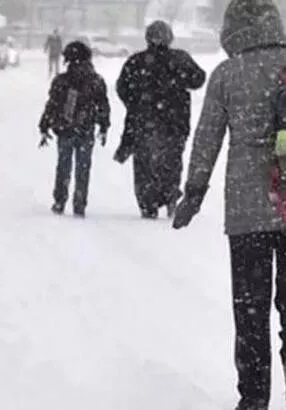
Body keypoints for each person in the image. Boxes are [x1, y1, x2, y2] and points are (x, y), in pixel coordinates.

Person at [173, 1, 286, 408]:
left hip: (248, 211)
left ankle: (253, 400)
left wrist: (194, 191)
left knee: (251, 313)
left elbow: (207, 139)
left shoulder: (227, 74)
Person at [114, 20, 205, 219]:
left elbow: (122, 87)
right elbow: (198, 79)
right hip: (176, 122)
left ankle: (148, 203)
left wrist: (136, 103)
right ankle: (170, 193)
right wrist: (178, 82)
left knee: (144, 165)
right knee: (171, 162)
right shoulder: (180, 59)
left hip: (143, 122)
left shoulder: (136, 61)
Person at [39, 41, 110, 218]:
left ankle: (60, 199)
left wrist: (44, 125)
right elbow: (103, 105)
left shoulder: (62, 81)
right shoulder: (96, 81)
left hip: (65, 129)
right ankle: (80, 202)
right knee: (83, 167)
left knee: (63, 165)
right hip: (86, 129)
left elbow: (52, 105)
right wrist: (103, 125)